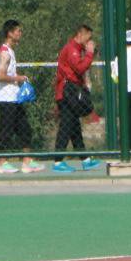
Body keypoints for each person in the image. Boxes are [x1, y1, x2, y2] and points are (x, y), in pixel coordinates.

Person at [51, 25, 98, 172]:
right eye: (88, 38)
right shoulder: (72, 49)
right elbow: (79, 68)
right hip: (66, 93)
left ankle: (85, 159)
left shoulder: (77, 49)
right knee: (66, 125)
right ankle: (58, 162)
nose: (89, 42)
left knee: (74, 127)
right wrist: (89, 53)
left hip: (70, 92)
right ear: (80, 35)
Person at [0, 19, 36, 174]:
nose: (20, 33)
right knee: (6, 130)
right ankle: (2, 162)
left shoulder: (11, 51)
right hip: (6, 98)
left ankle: (27, 161)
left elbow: (9, 74)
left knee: (25, 129)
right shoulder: (4, 52)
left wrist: (20, 77)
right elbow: (1, 76)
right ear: (10, 33)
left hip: (14, 97)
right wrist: (18, 78)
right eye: (18, 30)